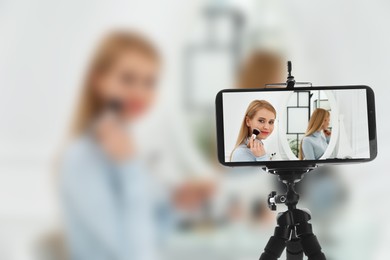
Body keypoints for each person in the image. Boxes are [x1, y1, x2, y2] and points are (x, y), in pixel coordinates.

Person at [59, 30, 163, 260]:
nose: (140, 92)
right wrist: (129, 166)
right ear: (99, 80)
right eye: (127, 79)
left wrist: (176, 206)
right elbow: (134, 253)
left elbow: (151, 231)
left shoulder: (125, 145)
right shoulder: (83, 157)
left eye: (150, 82)